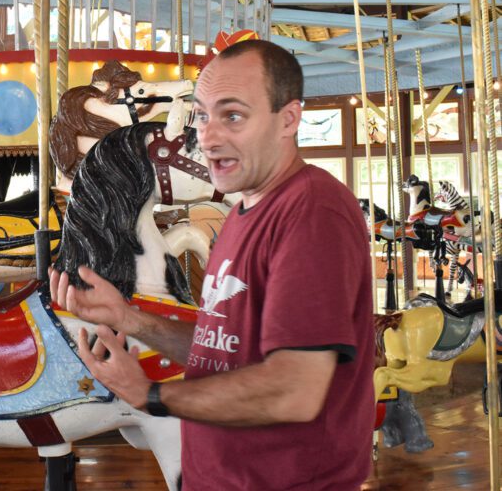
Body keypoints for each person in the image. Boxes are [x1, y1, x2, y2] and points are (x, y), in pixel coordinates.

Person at [50, 40, 374, 490]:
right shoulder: (243, 215)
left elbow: (293, 391)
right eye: (201, 115)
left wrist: (150, 395)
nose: (208, 135)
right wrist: (130, 319)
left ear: (289, 119)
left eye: (233, 115)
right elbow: (224, 352)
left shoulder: (311, 210)